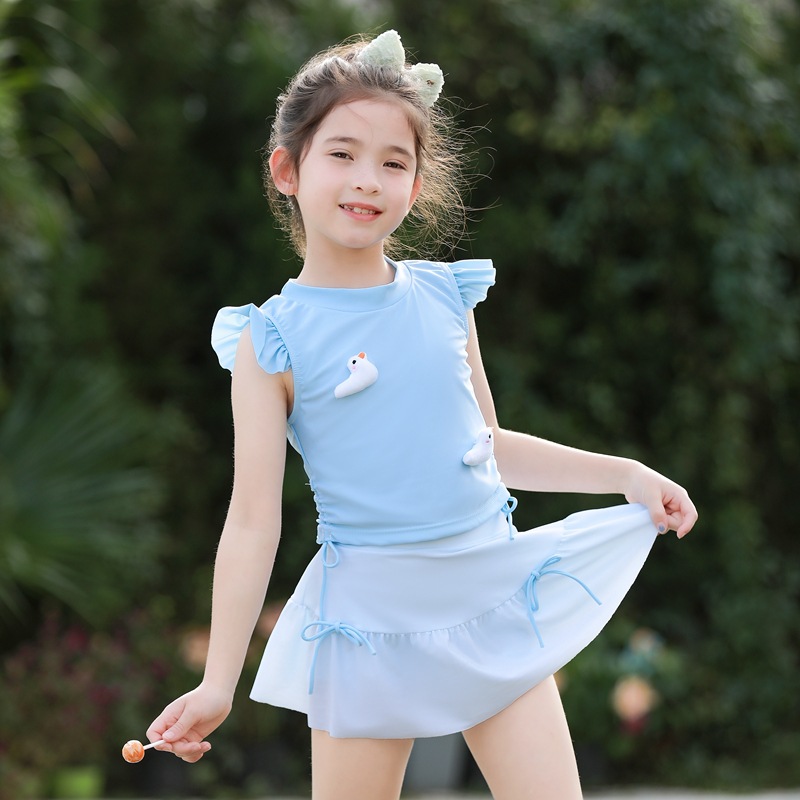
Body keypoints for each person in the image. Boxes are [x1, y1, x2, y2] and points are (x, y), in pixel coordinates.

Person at [147, 30, 697, 800]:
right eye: (342, 153)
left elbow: (489, 445)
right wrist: (217, 682)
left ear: (415, 184)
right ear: (287, 169)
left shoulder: (444, 297)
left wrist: (626, 475)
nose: (366, 179)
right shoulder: (271, 340)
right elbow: (251, 521)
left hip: (489, 596)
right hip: (367, 622)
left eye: (393, 162)